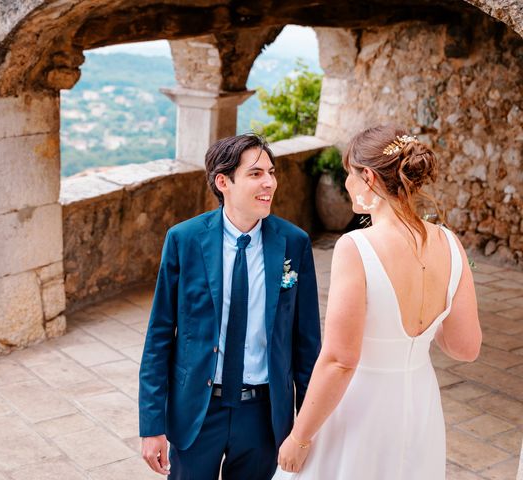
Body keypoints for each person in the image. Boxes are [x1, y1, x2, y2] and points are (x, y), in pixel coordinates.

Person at [274, 125, 482, 479]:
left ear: (368, 177)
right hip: (419, 406)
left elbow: (340, 360)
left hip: (362, 408)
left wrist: (300, 437)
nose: (347, 184)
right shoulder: (449, 243)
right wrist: (431, 318)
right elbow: (466, 347)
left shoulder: (357, 247)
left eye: (349, 176)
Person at [138, 133, 322, 480]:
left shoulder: (293, 243)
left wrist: (307, 430)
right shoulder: (184, 240)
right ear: (223, 182)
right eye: (255, 174)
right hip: (197, 409)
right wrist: (151, 425)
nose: (269, 182)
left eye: (271, 172)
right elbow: (159, 336)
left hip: (264, 414)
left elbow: (307, 345)